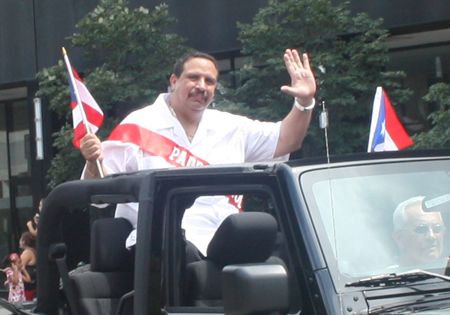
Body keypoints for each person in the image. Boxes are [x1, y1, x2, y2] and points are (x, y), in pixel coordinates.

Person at [79, 49, 316, 255]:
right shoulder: (139, 125)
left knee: (283, 251)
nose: (201, 86)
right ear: (174, 81)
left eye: (209, 81)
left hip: (225, 242)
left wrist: (304, 102)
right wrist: (92, 163)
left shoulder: (231, 126)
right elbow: (98, 196)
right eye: (193, 77)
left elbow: (287, 140)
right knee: (185, 256)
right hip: (160, 248)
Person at [392, 196, 446, 267]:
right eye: (421, 229)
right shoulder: (384, 276)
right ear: (399, 238)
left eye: (437, 229)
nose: (432, 236)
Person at [19, 231, 37, 301]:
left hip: (28, 287)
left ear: (23, 241)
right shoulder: (32, 251)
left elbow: (19, 267)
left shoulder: (27, 252)